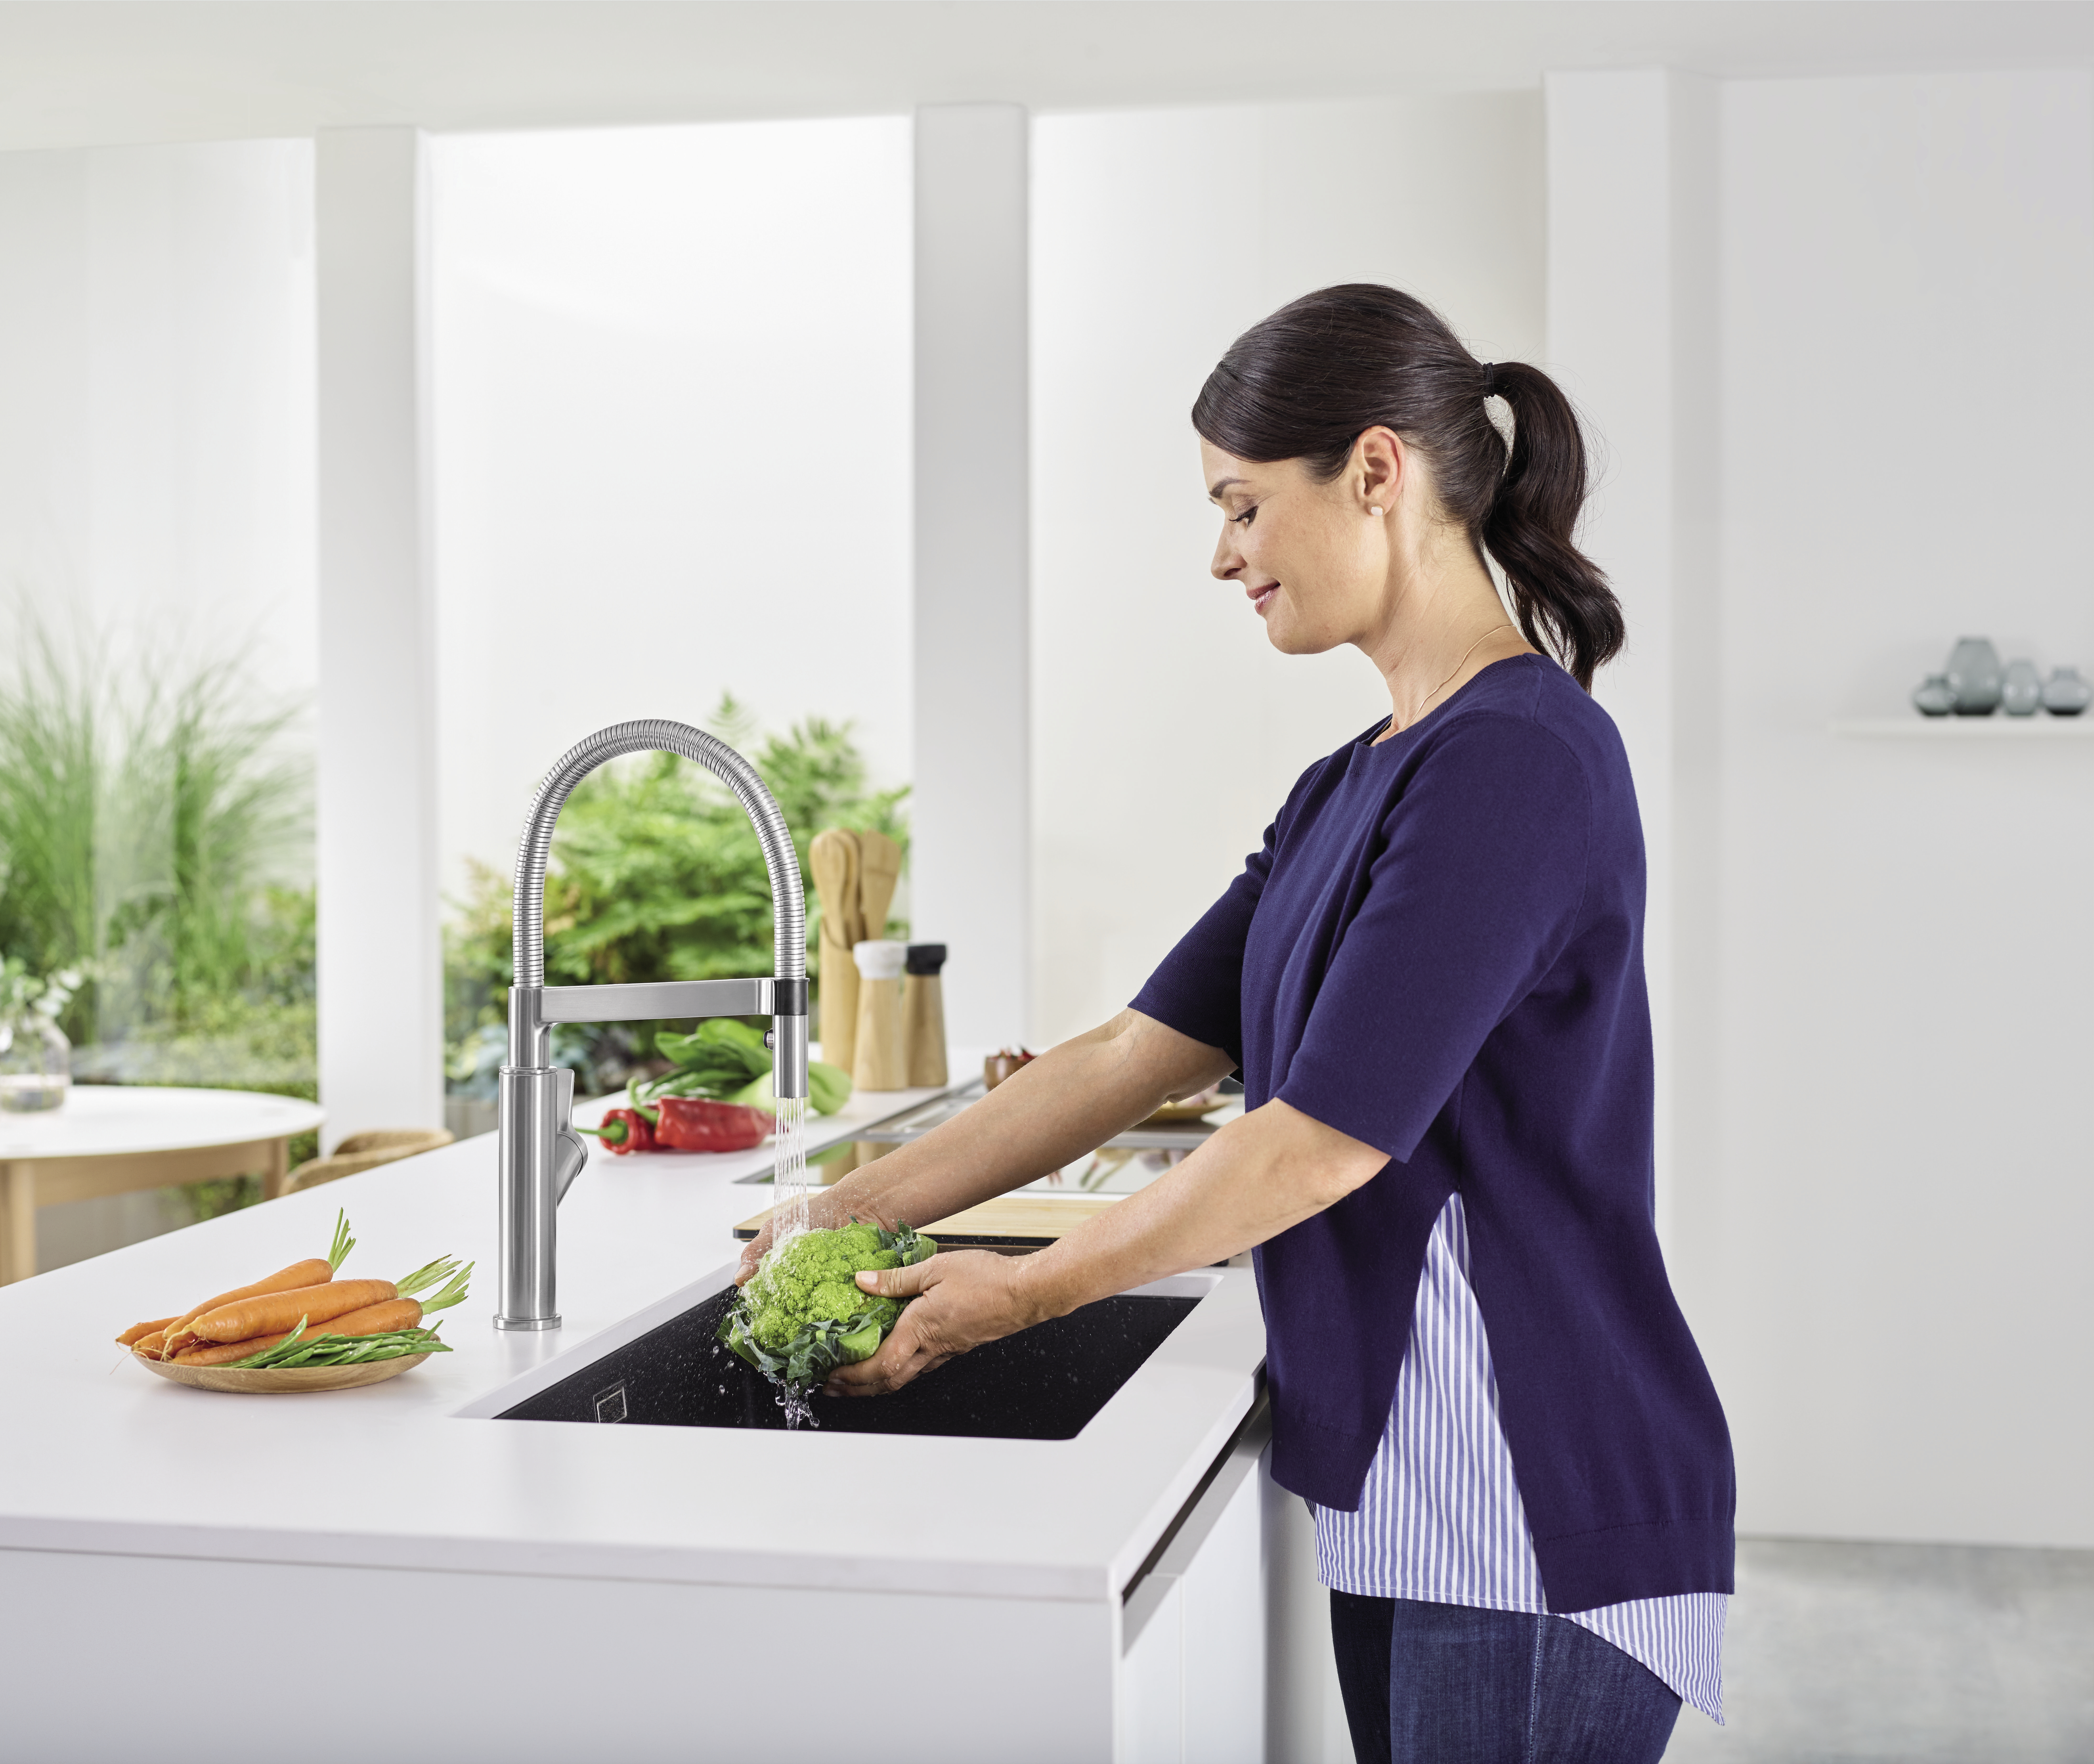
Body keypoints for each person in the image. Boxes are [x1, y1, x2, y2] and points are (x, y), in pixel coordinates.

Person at [735, 284, 1735, 1762]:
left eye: (1243, 506)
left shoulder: (1519, 758)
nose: (1223, 556)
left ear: (1376, 472)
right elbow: (1130, 1054)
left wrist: (1021, 1294)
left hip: (1528, 1488)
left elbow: (1319, 1143)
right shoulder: (1351, 783)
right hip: (1406, 1485)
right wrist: (837, 1209)